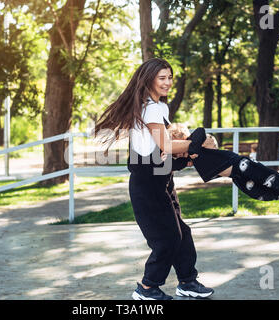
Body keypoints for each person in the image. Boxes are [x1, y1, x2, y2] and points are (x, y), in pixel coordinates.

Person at [94, 58, 214, 300]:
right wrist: (197, 144)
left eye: (170, 77)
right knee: (167, 238)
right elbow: (165, 146)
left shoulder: (158, 107)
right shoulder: (150, 108)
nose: (168, 82)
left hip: (161, 181)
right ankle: (147, 288)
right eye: (162, 78)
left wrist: (186, 157)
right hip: (147, 186)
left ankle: (187, 281)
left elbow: (160, 156)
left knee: (182, 232)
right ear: (149, 79)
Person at [166, 123, 279, 215]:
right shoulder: (187, 158)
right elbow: (174, 165)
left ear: (182, 138)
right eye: (176, 154)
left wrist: (190, 147)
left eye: (177, 151)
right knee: (257, 193)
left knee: (267, 178)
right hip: (235, 176)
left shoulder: (196, 141)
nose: (178, 155)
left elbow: (200, 131)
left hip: (239, 163)